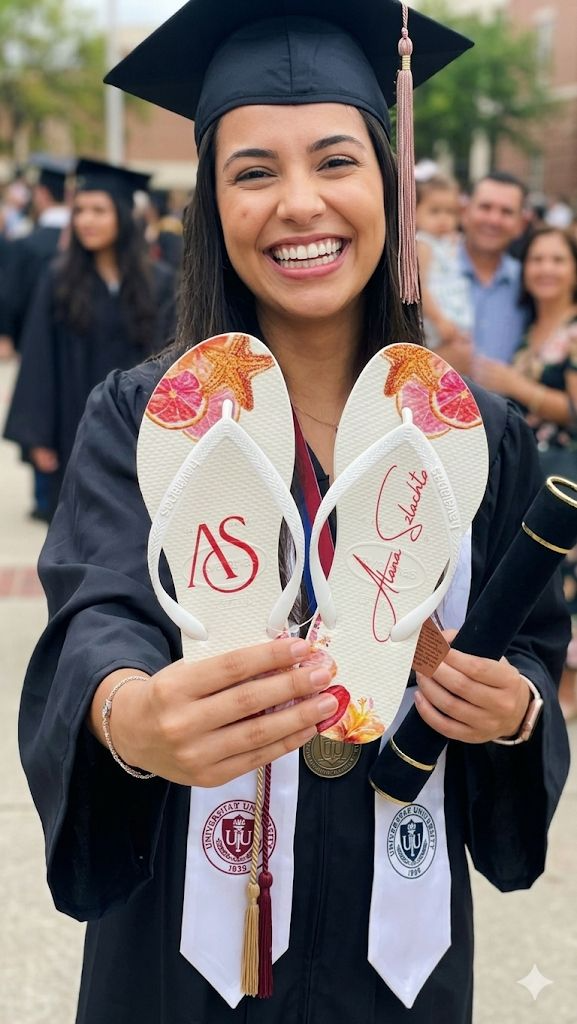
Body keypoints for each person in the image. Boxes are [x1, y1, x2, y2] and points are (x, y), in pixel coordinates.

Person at [18, 3, 570, 1024]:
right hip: (181, 962)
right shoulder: (146, 415)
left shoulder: (474, 433)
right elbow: (96, 617)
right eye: (254, 172)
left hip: (394, 960)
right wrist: (130, 716)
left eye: (334, 162)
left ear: (391, 186)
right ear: (211, 204)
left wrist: (517, 708)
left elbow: (529, 644)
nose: (299, 204)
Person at [4, 158, 176, 520]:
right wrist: (39, 435)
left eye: (99, 210)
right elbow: (39, 358)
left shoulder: (160, 283)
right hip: (75, 431)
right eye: (79, 210)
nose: (86, 220)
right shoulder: (60, 281)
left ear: (124, 215)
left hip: (143, 436)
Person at [472, 226, 577, 720]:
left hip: (565, 478)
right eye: (537, 259)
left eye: (557, 259)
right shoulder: (525, 328)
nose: (546, 269)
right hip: (526, 477)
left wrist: (516, 385)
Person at [459, 172, 529, 365]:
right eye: (485, 207)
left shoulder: (530, 283)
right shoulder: (424, 273)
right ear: (464, 212)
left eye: (506, 212)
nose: (494, 220)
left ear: (521, 225)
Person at [415, 174, 472, 370]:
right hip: (436, 317)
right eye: (435, 211)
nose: (444, 219)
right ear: (414, 213)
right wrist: (439, 320)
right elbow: (420, 288)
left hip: (453, 314)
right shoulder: (423, 244)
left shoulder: (449, 241)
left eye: (450, 212)